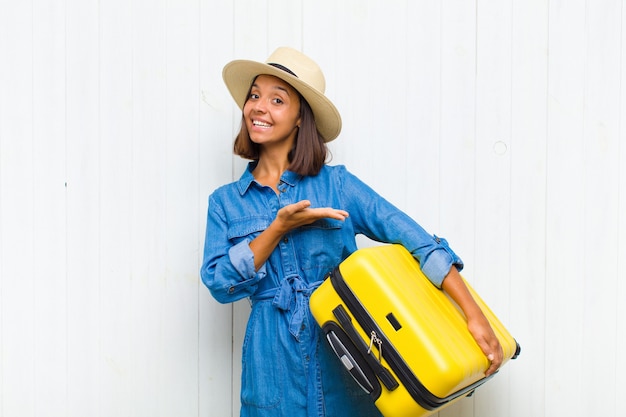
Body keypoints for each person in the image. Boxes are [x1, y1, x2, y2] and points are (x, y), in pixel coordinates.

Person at [201, 47, 503, 417]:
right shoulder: (225, 203)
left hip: (345, 350)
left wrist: (472, 314)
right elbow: (219, 284)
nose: (258, 107)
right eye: (254, 95)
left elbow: (419, 243)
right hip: (270, 364)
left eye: (277, 99)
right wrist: (278, 227)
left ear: (301, 118)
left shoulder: (339, 185)